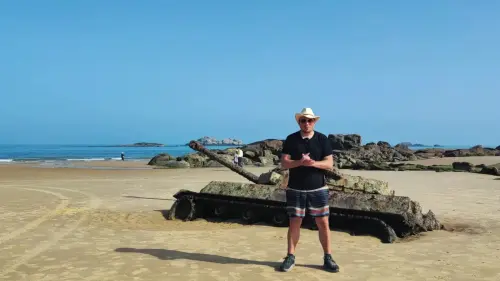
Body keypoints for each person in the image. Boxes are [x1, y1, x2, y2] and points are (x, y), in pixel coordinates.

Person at [278, 107, 339, 273]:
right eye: (303, 120)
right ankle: (290, 256)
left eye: (309, 120)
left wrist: (312, 163)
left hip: (318, 188)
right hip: (295, 188)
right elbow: (284, 163)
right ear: (299, 122)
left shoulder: (322, 139)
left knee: (323, 223)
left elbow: (329, 164)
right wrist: (300, 162)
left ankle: (328, 257)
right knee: (294, 222)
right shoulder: (291, 139)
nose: (306, 123)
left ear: (314, 122)